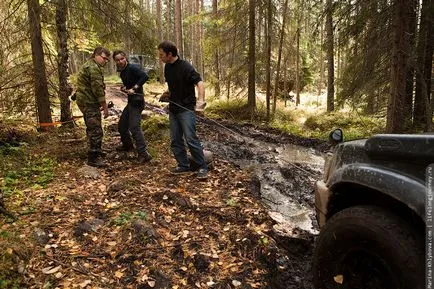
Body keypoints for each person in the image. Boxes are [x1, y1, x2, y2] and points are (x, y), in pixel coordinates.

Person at [157, 40, 208, 180]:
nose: (160, 57)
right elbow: (173, 86)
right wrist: (166, 94)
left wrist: (200, 102)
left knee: (191, 138)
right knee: (175, 139)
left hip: (186, 109)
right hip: (173, 108)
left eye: (162, 55)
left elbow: (200, 82)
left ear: (170, 54)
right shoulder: (167, 67)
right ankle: (183, 165)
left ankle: (202, 167)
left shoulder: (185, 66)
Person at [112, 50, 152, 164]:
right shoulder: (123, 72)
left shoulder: (132, 67)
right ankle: (128, 146)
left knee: (134, 127)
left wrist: (134, 88)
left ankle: (144, 153)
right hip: (131, 102)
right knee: (122, 126)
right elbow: (129, 84)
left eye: (121, 59)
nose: (120, 61)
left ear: (125, 58)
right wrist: (125, 88)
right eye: (117, 60)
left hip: (138, 102)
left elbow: (145, 76)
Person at [76, 46, 111, 167]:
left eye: (107, 60)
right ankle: (93, 158)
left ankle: (96, 151)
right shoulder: (93, 68)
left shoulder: (90, 65)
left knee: (92, 128)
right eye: (104, 58)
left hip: (87, 101)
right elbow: (97, 89)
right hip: (89, 102)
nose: (106, 61)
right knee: (95, 130)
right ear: (96, 55)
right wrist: (104, 106)